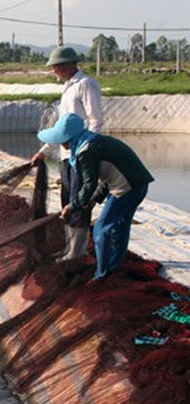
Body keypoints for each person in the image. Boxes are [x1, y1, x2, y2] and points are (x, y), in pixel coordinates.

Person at [37, 113, 154, 281]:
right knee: (121, 227)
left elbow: (88, 184)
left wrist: (72, 206)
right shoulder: (92, 141)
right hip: (138, 184)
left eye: (62, 140)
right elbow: (109, 175)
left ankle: (101, 275)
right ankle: (112, 267)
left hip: (127, 188)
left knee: (101, 228)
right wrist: (93, 200)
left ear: (71, 138)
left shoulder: (86, 151)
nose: (61, 144)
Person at [31, 46, 104, 261]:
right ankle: (70, 249)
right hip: (67, 155)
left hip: (80, 155)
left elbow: (95, 121)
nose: (54, 71)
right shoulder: (67, 88)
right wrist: (43, 152)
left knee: (79, 201)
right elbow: (61, 129)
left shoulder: (85, 85)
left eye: (56, 66)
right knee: (67, 201)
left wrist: (84, 150)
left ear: (68, 64)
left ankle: (77, 251)